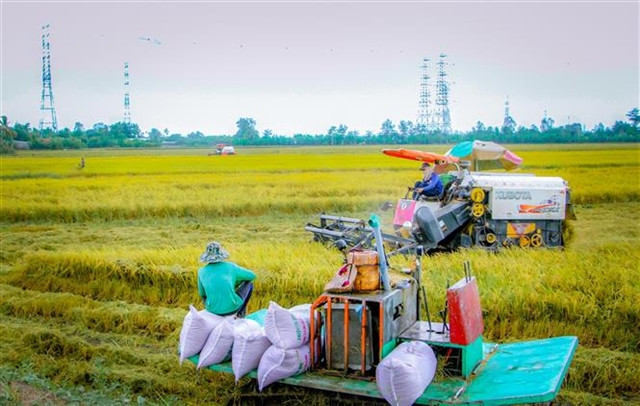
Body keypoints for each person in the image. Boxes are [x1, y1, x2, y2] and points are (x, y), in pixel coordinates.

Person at [197, 241, 256, 317]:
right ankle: (240, 314)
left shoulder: (201, 271)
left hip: (212, 310)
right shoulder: (230, 267)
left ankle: (214, 307)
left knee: (207, 295)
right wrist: (235, 282)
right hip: (232, 308)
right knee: (249, 284)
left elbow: (202, 293)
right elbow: (252, 276)